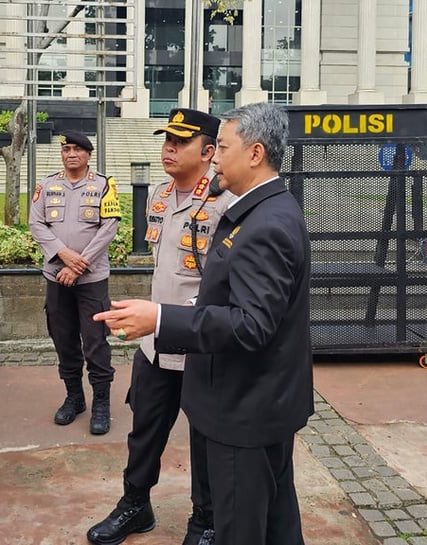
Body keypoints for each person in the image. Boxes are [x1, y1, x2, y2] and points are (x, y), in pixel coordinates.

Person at [94, 103, 314, 545]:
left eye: (223, 148)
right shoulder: (264, 210)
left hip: (243, 403)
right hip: (245, 395)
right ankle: (138, 504)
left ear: (254, 153)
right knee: (274, 524)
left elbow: (252, 324)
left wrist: (159, 317)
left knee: (242, 524)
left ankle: (203, 523)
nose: (215, 158)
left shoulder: (261, 222)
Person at [87, 109, 232, 545]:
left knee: (205, 437)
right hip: (155, 342)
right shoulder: (160, 194)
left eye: (180, 141)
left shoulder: (225, 203)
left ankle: (205, 521)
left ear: (209, 151)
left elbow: (222, 286)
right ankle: (135, 504)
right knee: (145, 427)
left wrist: (173, 317)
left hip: (201, 343)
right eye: (166, 139)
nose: (168, 148)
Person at [29, 130, 121, 435]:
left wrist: (79, 266)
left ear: (88, 154)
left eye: (78, 150)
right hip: (56, 277)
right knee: (63, 340)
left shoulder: (104, 185)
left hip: (91, 279)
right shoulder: (47, 185)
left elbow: (108, 228)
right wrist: (63, 254)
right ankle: (74, 397)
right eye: (66, 149)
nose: (71, 154)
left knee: (95, 342)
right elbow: (36, 223)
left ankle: (101, 404)